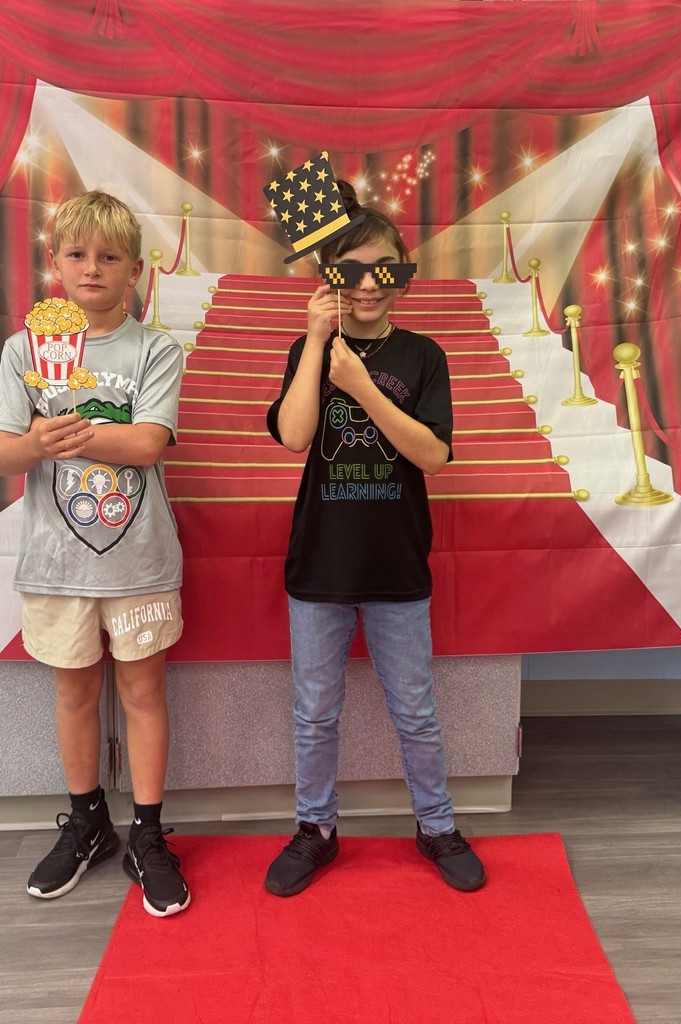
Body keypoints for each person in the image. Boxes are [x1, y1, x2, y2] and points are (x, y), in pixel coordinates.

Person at [264, 181, 486, 896]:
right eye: (349, 270)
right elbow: (296, 435)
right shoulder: (309, 347)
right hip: (319, 565)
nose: (367, 285)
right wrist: (319, 344)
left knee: (415, 711)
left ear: (402, 276)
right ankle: (314, 829)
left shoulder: (423, 356)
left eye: (383, 269)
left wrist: (361, 386)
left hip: (397, 565)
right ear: (329, 278)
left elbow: (433, 455)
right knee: (314, 712)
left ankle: (437, 824)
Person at [0, 190, 189, 918]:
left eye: (109, 257)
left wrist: (55, 431)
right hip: (55, 564)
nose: (92, 268)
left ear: (135, 269)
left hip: (138, 560)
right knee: (74, 692)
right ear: (54, 264)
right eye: (77, 254)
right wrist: (36, 441)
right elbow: (1, 454)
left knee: (143, 694)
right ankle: (87, 820)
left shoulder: (154, 348)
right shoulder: (24, 350)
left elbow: (146, 443)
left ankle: (150, 832)